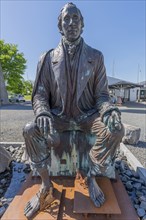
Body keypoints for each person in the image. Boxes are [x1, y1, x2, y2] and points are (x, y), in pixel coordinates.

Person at [23, 2, 124, 218]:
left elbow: (102, 96)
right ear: (60, 26)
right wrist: (42, 112)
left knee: (116, 129)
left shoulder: (96, 57)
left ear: (82, 24)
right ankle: (46, 186)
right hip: (58, 117)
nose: (71, 23)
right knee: (30, 129)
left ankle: (91, 177)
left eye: (75, 18)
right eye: (66, 19)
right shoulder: (48, 58)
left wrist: (108, 111)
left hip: (87, 117)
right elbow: (40, 94)